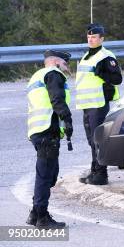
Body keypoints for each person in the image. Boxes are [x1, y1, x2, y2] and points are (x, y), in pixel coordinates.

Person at [26, 50, 73, 228]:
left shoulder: (37, 76)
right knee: (45, 176)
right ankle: (41, 217)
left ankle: (34, 213)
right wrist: (67, 120)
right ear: (55, 62)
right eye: (65, 63)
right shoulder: (53, 74)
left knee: (49, 174)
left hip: (39, 131)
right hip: (47, 130)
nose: (67, 67)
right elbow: (57, 100)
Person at [76, 23, 122, 185]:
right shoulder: (87, 55)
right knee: (91, 140)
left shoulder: (105, 56)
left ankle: (101, 174)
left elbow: (117, 79)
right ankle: (95, 170)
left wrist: (102, 73)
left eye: (94, 37)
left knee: (98, 139)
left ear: (101, 38)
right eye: (89, 37)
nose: (91, 39)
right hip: (87, 104)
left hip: (98, 104)